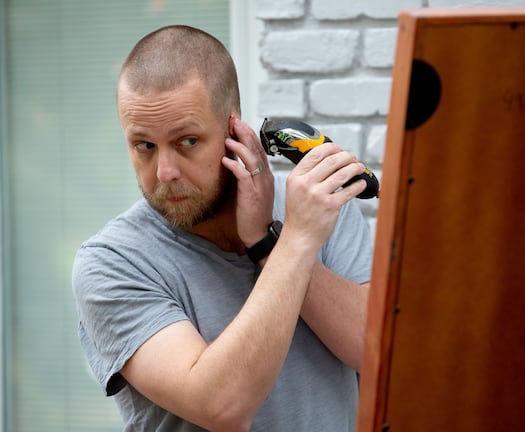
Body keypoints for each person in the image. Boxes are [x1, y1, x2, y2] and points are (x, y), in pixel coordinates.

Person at [72, 25, 373, 432]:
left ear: (235, 130)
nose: (164, 172)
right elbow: (222, 406)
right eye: (144, 145)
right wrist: (294, 240)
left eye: (187, 141)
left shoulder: (316, 208)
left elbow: (373, 351)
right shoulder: (110, 264)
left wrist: (267, 241)